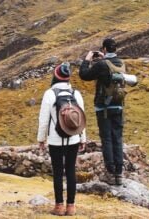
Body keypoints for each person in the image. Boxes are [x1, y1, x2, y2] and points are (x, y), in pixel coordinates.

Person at [37, 62, 86, 216]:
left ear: (55, 76)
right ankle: (71, 206)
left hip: (55, 139)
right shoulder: (76, 93)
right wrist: (82, 138)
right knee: (71, 170)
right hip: (73, 138)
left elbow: (44, 120)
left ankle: (59, 206)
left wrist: (41, 139)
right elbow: (82, 118)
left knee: (58, 172)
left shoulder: (50, 94)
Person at [78, 38, 126, 185]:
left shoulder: (101, 64)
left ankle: (110, 173)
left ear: (104, 49)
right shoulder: (121, 63)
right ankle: (119, 173)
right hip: (118, 106)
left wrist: (87, 59)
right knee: (117, 138)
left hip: (103, 107)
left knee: (107, 139)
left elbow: (84, 75)